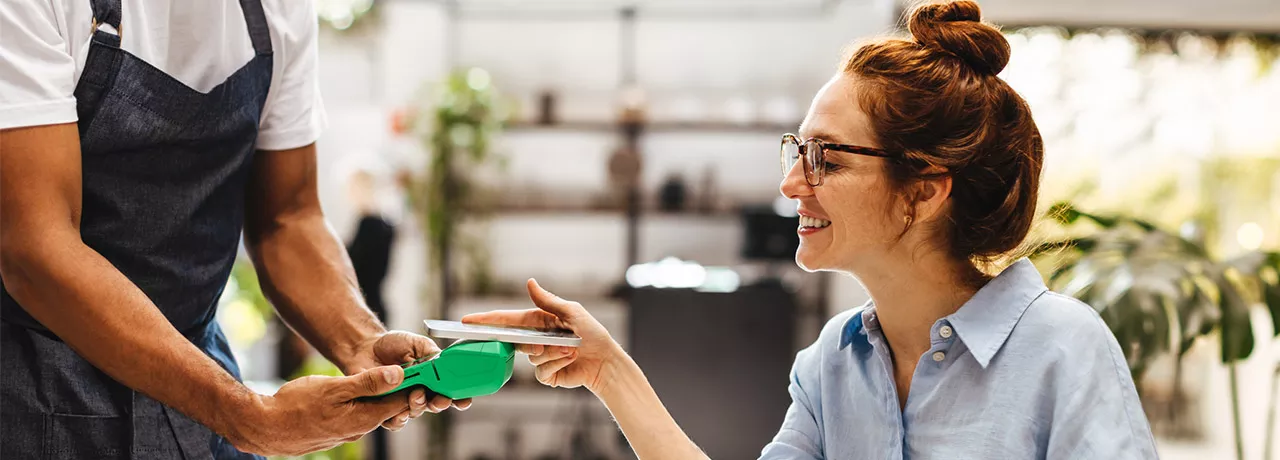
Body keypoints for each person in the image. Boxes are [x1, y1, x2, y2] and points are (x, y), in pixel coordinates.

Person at [462, 1, 1159, 458]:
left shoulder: (1062, 351)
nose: (793, 182)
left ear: (923, 191)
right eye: (798, 150)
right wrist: (608, 370)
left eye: (825, 156)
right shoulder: (838, 360)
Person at [0, 1, 467, 458]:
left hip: (201, 386)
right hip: (33, 394)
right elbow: (36, 249)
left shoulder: (279, 11)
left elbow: (289, 218)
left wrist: (358, 340)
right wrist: (245, 416)